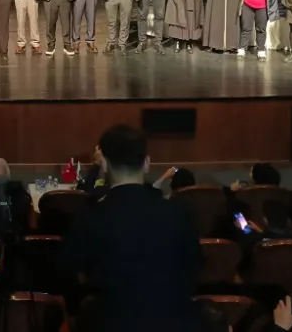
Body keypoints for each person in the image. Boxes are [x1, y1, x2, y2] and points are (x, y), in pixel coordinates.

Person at [63, 125, 201, 331]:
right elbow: (194, 270)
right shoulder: (180, 213)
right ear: (147, 163)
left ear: (105, 165)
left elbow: (69, 273)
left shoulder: (90, 217)